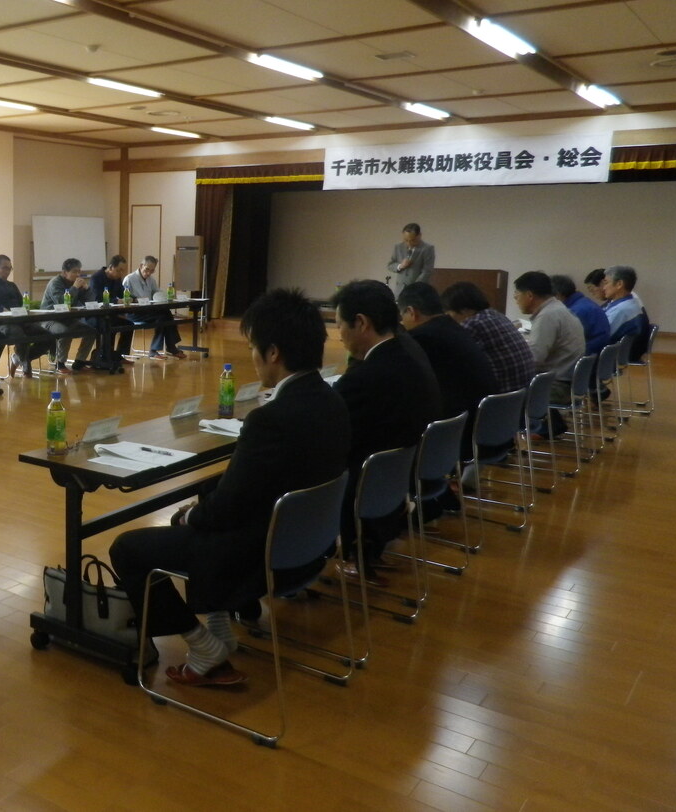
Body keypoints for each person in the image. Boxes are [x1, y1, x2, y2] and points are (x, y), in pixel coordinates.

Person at [110, 288, 349, 687]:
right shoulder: (333, 400)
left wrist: (190, 514)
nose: (252, 357)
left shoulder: (271, 419)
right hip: (308, 545)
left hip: (260, 555)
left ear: (273, 353)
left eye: (254, 347)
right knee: (209, 495)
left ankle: (203, 645)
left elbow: (227, 509)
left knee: (128, 548)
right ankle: (219, 623)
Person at [332, 280, 440, 582]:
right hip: (399, 476)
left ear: (361, 323)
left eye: (340, 325)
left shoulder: (370, 375)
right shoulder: (407, 349)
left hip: (365, 484)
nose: (338, 334)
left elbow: (331, 424)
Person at [398, 282, 497, 468]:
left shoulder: (422, 337)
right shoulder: (453, 326)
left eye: (402, 315)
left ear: (411, 311)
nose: (402, 322)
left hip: (460, 434)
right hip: (485, 424)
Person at [440, 281, 535, 395]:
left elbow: (452, 362)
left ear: (464, 309)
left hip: (500, 397)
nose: (448, 318)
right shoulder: (496, 315)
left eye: (449, 313)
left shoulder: (473, 324)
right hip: (521, 395)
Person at [514, 271, 585, 402]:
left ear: (529, 295)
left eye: (517, 296)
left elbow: (534, 359)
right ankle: (550, 422)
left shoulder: (547, 316)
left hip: (555, 386)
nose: (516, 300)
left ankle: (534, 422)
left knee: (501, 390)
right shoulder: (558, 308)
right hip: (567, 381)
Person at [0, 254, 50, 377]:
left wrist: (20, 313)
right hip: (0, 323)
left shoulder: (11, 285)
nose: (8, 271)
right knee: (18, 334)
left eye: (9, 268)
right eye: (4, 268)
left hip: (19, 320)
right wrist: (11, 313)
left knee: (46, 336)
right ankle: (26, 366)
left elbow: (21, 303)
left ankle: (19, 358)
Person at [123, 255, 186, 359]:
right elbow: (125, 298)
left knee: (166, 313)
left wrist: (163, 296)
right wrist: (136, 300)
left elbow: (156, 292)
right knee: (162, 317)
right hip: (134, 312)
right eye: (147, 269)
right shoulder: (129, 279)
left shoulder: (151, 280)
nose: (148, 273)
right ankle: (163, 348)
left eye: (152, 271)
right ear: (141, 265)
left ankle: (167, 348)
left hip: (148, 310)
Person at [40, 258, 97, 373]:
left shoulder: (75, 283)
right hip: (50, 319)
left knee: (91, 331)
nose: (78, 275)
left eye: (79, 272)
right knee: (65, 331)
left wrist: (87, 289)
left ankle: (79, 362)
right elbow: (61, 302)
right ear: (65, 272)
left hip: (68, 318)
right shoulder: (55, 283)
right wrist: (75, 288)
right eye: (74, 272)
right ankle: (60, 363)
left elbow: (91, 301)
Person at [86, 255, 134, 367]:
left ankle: (118, 355)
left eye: (122, 271)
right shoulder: (96, 278)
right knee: (108, 325)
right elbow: (96, 298)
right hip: (95, 316)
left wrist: (133, 298)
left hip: (109, 314)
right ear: (111, 267)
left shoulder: (117, 279)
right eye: (119, 270)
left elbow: (123, 293)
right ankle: (104, 356)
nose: (121, 273)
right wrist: (116, 301)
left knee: (129, 325)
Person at [552, 273, 610, 357]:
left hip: (586, 359)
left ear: (558, 295)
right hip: (597, 357)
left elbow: (561, 343)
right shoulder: (583, 302)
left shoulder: (575, 312)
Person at [601, 265, 647, 344]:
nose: (603, 288)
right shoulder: (630, 303)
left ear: (619, 284)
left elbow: (600, 336)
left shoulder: (622, 310)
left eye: (606, 283)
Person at [386, 223, 435, 292]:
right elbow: (390, 265)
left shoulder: (427, 248)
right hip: (400, 290)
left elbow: (427, 271)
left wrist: (414, 287)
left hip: (418, 289)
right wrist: (400, 266)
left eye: (412, 240)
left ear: (419, 236)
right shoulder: (398, 247)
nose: (409, 243)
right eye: (406, 240)